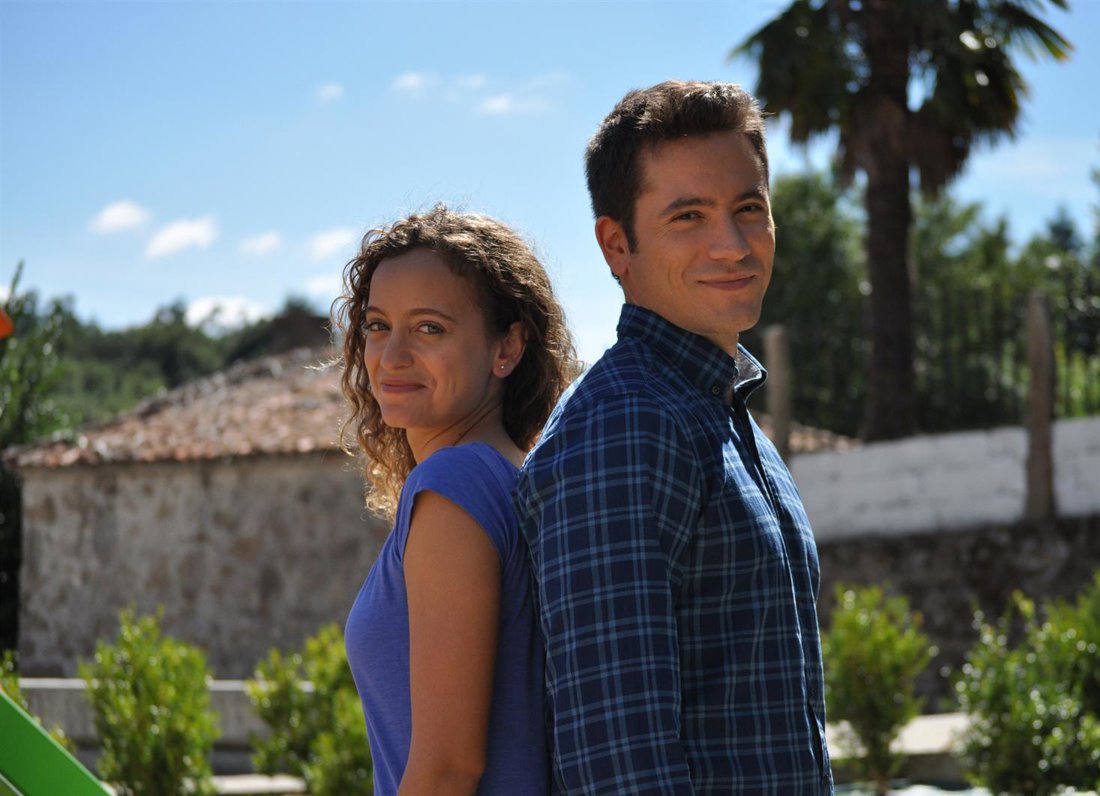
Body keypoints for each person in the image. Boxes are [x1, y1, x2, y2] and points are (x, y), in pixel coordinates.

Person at [516, 81, 833, 794]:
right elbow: (618, 759)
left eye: (748, 209)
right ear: (616, 245)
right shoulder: (625, 424)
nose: (733, 245)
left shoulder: (723, 415)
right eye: (689, 216)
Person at [337, 206, 576, 796]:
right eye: (377, 325)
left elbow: (449, 768)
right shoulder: (511, 476)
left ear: (507, 348)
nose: (391, 356)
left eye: (429, 329)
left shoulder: (454, 485)